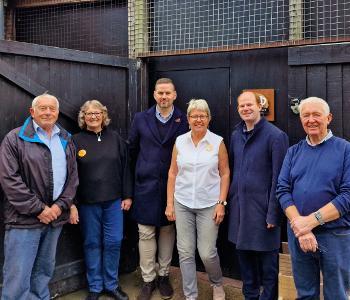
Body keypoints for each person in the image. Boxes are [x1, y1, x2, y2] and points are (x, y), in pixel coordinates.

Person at [0, 93, 78, 300]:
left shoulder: (66, 138)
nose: (48, 112)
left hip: (54, 218)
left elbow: (72, 179)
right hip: (24, 220)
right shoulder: (14, 138)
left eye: (52, 108)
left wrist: (60, 207)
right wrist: (39, 209)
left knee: (44, 271)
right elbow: (10, 180)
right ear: (32, 112)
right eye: (42, 108)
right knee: (18, 274)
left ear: (58, 113)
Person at [277, 97, 350, 300]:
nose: (311, 120)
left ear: (329, 118)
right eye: (305, 115)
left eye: (316, 114)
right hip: (298, 234)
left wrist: (309, 222)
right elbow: (282, 191)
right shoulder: (293, 152)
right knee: (306, 294)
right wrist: (300, 226)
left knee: (337, 294)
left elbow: (347, 195)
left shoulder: (345, 150)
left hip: (334, 235)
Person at [128, 78, 188, 300]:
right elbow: (132, 151)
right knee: (145, 233)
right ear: (154, 95)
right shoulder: (140, 119)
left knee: (167, 231)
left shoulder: (184, 120)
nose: (164, 97)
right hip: (145, 186)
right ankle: (148, 279)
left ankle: (163, 276)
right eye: (160, 93)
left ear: (174, 95)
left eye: (168, 93)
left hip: (173, 187)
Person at [166, 99, 230, 300]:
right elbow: (173, 173)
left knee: (207, 252)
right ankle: (190, 295)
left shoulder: (217, 142)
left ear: (209, 119)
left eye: (202, 115)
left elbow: (225, 173)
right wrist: (169, 203)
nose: (198, 119)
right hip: (182, 202)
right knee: (185, 252)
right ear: (188, 119)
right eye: (194, 116)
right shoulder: (180, 141)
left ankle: (217, 283)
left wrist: (221, 203)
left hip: (209, 204)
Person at [228, 91, 289, 300]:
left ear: (259, 107)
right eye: (241, 106)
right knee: (246, 268)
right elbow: (234, 170)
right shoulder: (236, 135)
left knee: (269, 270)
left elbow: (279, 180)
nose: (245, 109)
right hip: (240, 213)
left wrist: (273, 214)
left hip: (264, 215)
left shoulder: (276, 136)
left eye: (249, 105)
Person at [72, 100, 132, 300]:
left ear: (103, 115)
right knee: (91, 243)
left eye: (97, 113)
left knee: (114, 241)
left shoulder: (115, 138)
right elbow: (71, 175)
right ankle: (95, 287)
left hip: (114, 201)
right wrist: (72, 203)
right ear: (83, 117)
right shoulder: (76, 140)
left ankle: (112, 285)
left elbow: (125, 168)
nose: (93, 116)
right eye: (89, 113)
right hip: (88, 203)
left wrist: (127, 195)